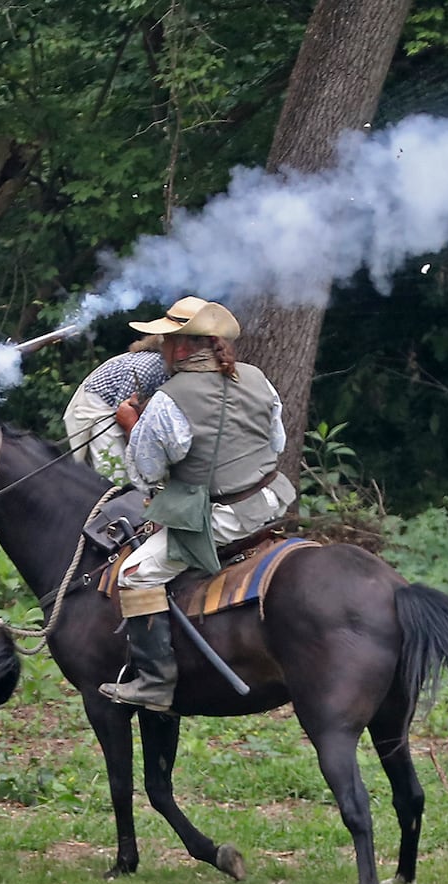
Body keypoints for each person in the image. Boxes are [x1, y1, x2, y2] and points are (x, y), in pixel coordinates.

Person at [98, 301, 296, 712]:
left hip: (226, 519)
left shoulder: (171, 399)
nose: (162, 349)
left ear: (183, 349)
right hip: (274, 502)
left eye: (167, 341)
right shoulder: (258, 378)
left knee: (135, 574)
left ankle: (154, 682)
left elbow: (145, 475)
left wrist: (135, 425)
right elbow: (277, 444)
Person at [61, 295, 207, 481]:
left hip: (122, 410)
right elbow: (123, 412)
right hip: (100, 407)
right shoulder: (149, 367)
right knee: (116, 475)